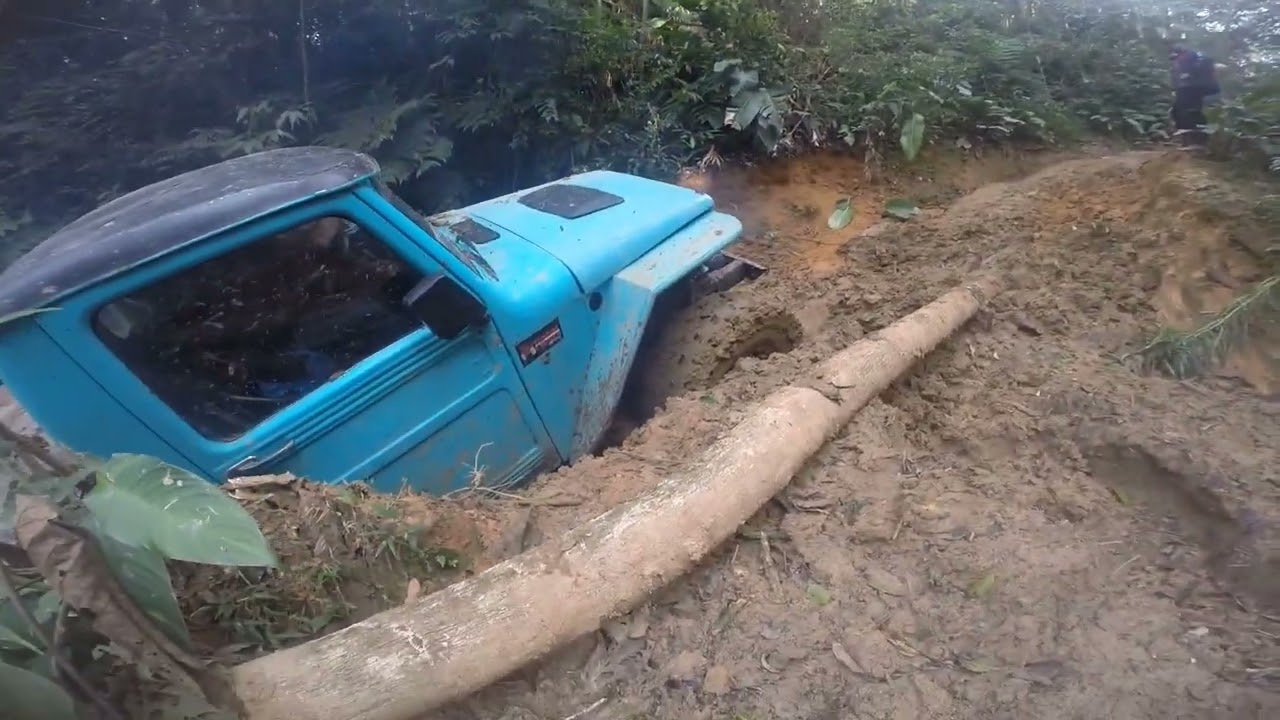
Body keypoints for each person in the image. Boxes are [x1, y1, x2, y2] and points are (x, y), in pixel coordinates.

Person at [1169, 45, 1220, 148]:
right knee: (1186, 111)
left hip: (1193, 88)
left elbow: (1188, 76)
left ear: (1181, 54)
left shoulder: (1189, 57)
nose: (1175, 61)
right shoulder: (1193, 58)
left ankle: (1194, 140)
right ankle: (1192, 139)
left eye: (1176, 57)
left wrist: (1189, 74)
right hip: (1195, 88)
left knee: (1185, 112)